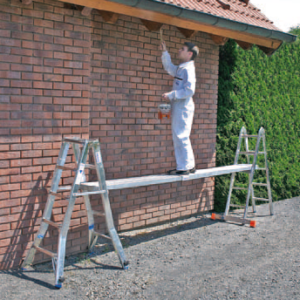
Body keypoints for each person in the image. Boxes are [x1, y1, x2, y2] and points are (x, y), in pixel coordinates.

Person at [160, 41, 199, 175]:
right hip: (179, 106)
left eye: (182, 49)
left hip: (183, 107)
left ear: (189, 54)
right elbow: (170, 68)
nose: (179, 50)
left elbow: (189, 90)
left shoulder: (188, 69)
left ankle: (184, 168)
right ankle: (189, 165)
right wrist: (165, 52)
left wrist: (172, 95)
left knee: (181, 136)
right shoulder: (182, 68)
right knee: (180, 136)